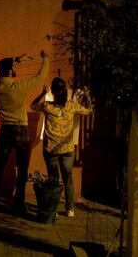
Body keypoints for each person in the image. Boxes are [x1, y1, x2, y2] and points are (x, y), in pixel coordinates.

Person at [0, 50, 49, 213]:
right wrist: (46, 58)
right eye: (13, 68)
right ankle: (18, 205)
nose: (16, 70)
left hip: (5, 129)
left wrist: (15, 60)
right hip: (20, 129)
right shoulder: (19, 86)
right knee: (22, 169)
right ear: (9, 71)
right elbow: (40, 76)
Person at [30, 77, 93, 217]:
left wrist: (42, 93)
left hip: (51, 149)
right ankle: (69, 208)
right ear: (65, 90)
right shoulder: (71, 105)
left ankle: (52, 208)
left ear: (52, 91)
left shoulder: (47, 106)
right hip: (67, 149)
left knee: (53, 178)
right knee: (68, 178)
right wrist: (87, 95)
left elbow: (32, 106)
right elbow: (89, 111)